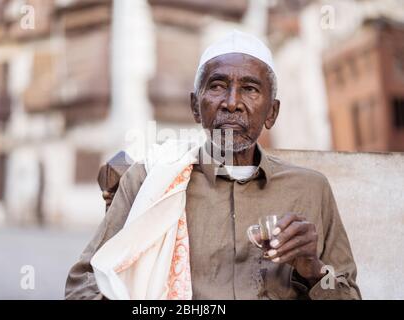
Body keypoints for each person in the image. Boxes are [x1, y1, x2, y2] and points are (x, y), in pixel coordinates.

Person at [65, 30, 361, 300]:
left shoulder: (311, 189)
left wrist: (312, 270)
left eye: (250, 89)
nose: (232, 102)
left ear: (272, 112)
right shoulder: (151, 181)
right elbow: (81, 285)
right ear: (196, 106)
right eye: (218, 86)